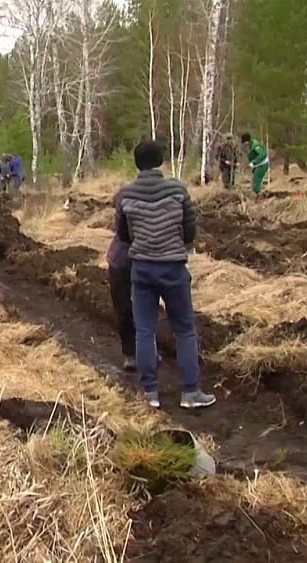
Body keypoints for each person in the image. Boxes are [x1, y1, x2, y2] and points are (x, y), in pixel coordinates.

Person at [114, 139, 216, 410]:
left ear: (137, 164)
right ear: (160, 161)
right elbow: (190, 230)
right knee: (183, 329)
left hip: (142, 268)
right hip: (173, 266)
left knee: (144, 330)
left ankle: (150, 393)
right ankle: (190, 393)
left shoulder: (126, 195)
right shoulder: (177, 190)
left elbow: (123, 235)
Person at [107, 206, 162, 371]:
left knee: (146, 306)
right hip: (122, 259)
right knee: (123, 307)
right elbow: (122, 230)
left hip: (147, 259)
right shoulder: (127, 197)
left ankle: (150, 350)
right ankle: (131, 354)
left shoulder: (160, 200)